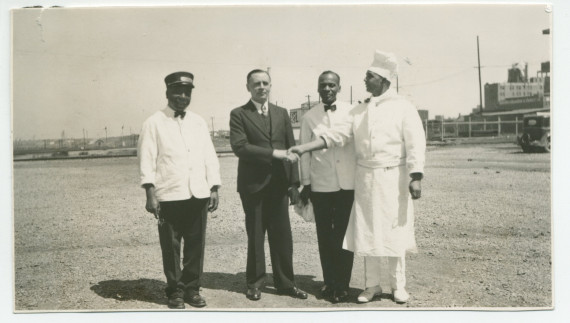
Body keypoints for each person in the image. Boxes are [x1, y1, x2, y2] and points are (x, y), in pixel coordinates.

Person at [289, 51, 426, 304]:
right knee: (368, 231)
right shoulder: (359, 110)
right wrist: (304, 148)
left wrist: (415, 175)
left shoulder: (404, 107)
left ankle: (398, 286)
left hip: (394, 177)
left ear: (383, 79)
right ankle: (371, 285)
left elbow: (416, 142)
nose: (365, 81)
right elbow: (335, 135)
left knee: (394, 231)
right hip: (365, 180)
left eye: (369, 77)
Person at [138, 71, 221, 309]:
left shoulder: (198, 121)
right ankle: (175, 290)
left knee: (196, 245)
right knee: (171, 245)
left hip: (198, 193)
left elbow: (209, 156)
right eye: (178, 91)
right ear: (167, 93)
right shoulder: (153, 122)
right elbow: (147, 159)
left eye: (187, 92)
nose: (183, 96)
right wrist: (150, 193)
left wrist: (213, 187)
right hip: (170, 194)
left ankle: (192, 289)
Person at [229, 69, 308, 301]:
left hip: (279, 186)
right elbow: (240, 147)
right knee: (256, 236)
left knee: (282, 236)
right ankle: (254, 283)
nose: (261, 87)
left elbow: (291, 149)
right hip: (253, 186)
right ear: (248, 88)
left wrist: (294, 184)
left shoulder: (281, 113)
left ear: (271, 85)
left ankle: (285, 283)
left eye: (265, 83)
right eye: (256, 84)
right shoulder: (239, 114)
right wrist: (275, 153)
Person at [298, 71, 356, 303]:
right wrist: (306, 184)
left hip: (347, 184)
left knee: (344, 235)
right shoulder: (309, 117)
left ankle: (342, 285)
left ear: (339, 87)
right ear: (318, 88)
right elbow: (304, 153)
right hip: (321, 184)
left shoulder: (352, 112)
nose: (328, 89)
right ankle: (329, 282)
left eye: (332, 85)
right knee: (325, 236)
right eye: (323, 85)